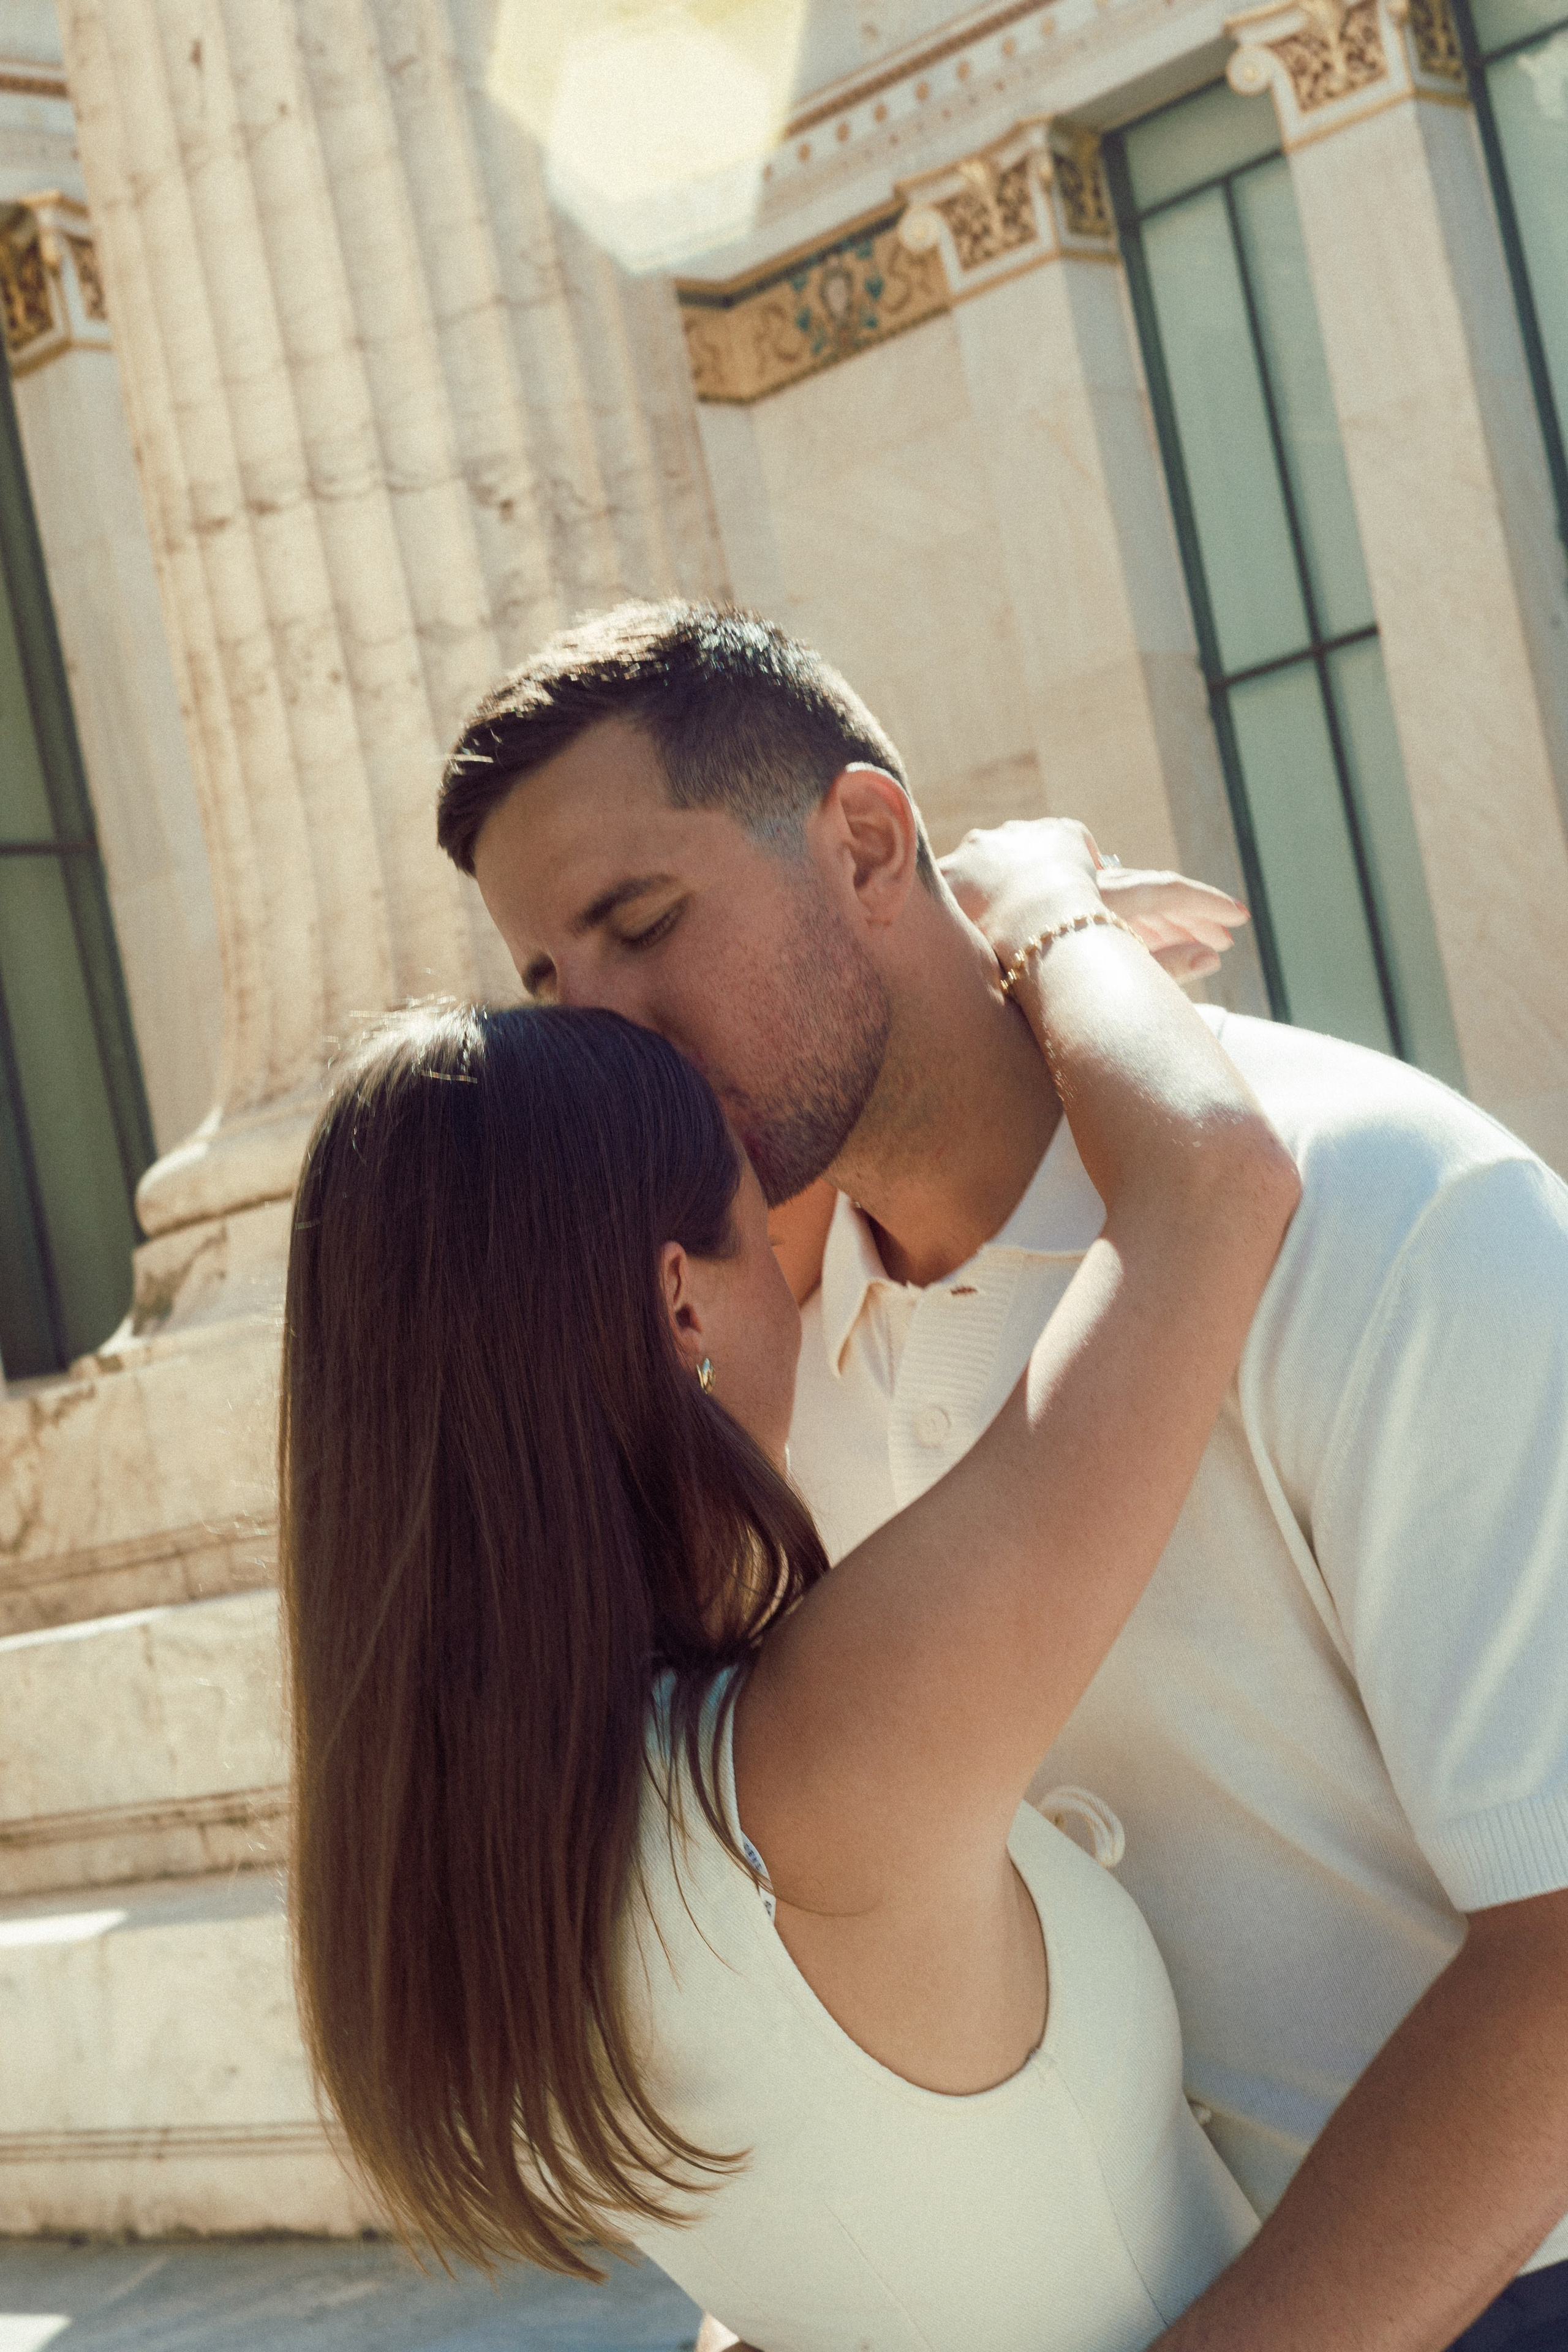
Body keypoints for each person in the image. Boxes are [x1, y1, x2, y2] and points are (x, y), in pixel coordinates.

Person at [438, 600, 1568, 2352]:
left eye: (641, 925)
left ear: (872, 847)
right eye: (547, 984)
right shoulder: (765, 1364)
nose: (604, 1036)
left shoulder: (1397, 1212)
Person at [280, 838, 1299, 2349]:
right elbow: (1212, 1182)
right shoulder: (812, 1767)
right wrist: (1032, 906)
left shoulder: (458, 1849)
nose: (805, 1261)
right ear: (679, 1297)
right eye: (765, 1236)